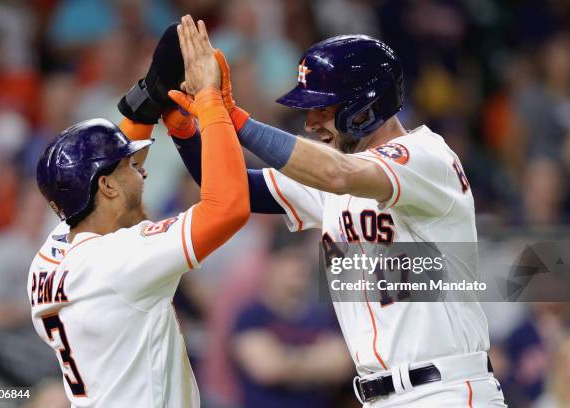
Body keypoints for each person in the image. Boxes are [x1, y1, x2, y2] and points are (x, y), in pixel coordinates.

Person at [165, 25, 507, 406]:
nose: (311, 123)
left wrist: (232, 116)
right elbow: (236, 189)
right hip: (380, 395)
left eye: (323, 109)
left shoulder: (427, 157)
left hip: (445, 390)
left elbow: (338, 174)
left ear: (364, 108)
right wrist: (186, 129)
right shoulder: (334, 170)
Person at [29, 18, 249, 407]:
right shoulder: (119, 260)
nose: (142, 168)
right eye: (131, 166)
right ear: (108, 188)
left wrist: (149, 95)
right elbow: (228, 208)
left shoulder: (51, 253)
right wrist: (210, 102)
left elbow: (107, 170)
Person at [231, 235, 352, 408]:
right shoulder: (252, 315)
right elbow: (267, 368)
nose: (299, 268)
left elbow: (342, 365)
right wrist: (317, 360)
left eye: (302, 260)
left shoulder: (323, 315)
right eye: (290, 259)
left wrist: (285, 358)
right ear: (271, 264)